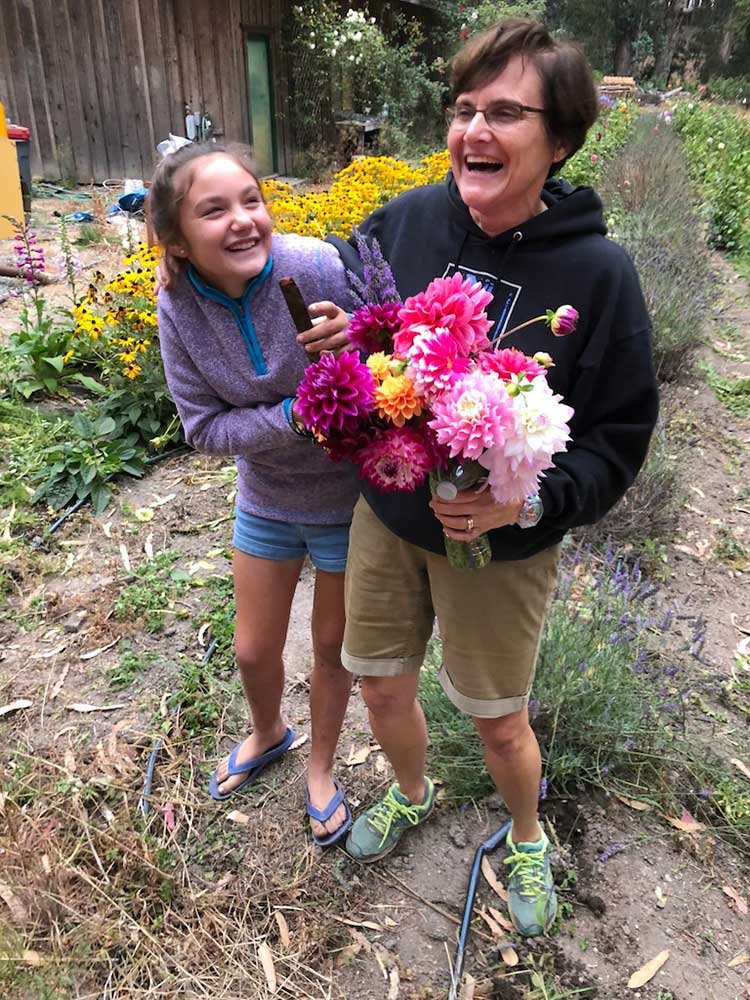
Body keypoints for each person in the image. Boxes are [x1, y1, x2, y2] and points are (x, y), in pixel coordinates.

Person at [330, 19, 659, 933]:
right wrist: (345, 364)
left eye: (505, 112)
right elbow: (363, 353)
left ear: (558, 141)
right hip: (390, 519)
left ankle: (525, 836)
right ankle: (409, 790)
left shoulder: (599, 276)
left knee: (498, 719)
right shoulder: (399, 225)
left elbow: (621, 434)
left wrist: (535, 498)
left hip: (505, 546)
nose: (474, 128)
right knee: (382, 684)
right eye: (465, 108)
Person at [151, 143, 357, 846]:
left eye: (251, 200)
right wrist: (298, 415)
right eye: (214, 210)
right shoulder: (176, 306)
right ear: (177, 239)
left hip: (350, 501)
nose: (243, 221)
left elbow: (389, 369)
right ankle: (269, 731)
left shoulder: (316, 266)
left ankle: (322, 769)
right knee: (251, 649)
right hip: (268, 496)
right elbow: (203, 429)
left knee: (332, 647)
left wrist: (353, 343)